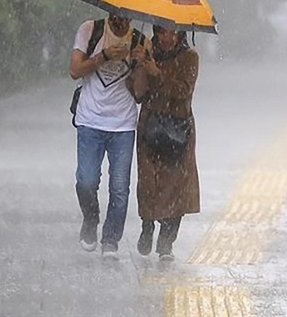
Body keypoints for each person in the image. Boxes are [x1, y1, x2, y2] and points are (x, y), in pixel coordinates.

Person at [69, 14, 148, 258]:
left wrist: (139, 64)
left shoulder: (140, 40)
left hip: (123, 124)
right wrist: (103, 56)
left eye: (127, 17)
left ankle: (111, 239)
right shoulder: (90, 29)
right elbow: (74, 70)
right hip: (90, 120)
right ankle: (91, 219)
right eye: (117, 15)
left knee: (120, 187)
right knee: (86, 180)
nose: (121, 21)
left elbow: (141, 93)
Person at [128, 25, 200, 261]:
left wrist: (156, 71)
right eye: (162, 32)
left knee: (177, 186)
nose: (167, 37)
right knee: (149, 180)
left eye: (173, 33)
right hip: (150, 125)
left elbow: (182, 90)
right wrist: (138, 66)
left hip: (178, 127)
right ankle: (147, 224)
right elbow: (137, 94)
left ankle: (166, 242)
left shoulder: (190, 57)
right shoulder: (147, 51)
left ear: (180, 35)